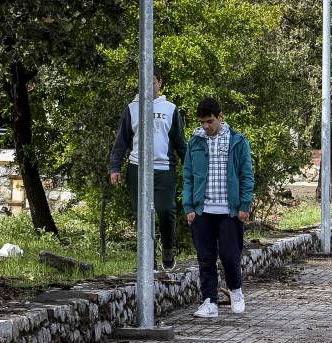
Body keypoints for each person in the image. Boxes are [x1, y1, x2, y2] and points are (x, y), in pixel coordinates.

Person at [109, 66, 187, 270]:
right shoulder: (132, 108)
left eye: (151, 82)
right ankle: (148, 262)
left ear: (159, 83)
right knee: (143, 215)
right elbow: (121, 142)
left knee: (165, 209)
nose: (148, 87)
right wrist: (115, 167)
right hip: (137, 168)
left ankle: (168, 246)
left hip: (164, 168)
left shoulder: (170, 109)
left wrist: (191, 169)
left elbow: (180, 143)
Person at [183, 97, 254, 318]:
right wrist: (188, 206)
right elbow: (187, 176)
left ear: (220, 117)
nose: (206, 126)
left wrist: (244, 205)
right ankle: (209, 302)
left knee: (229, 255)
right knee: (205, 257)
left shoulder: (237, 141)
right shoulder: (195, 142)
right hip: (202, 210)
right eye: (202, 122)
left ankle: (236, 291)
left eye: (210, 121)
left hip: (229, 210)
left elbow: (246, 175)